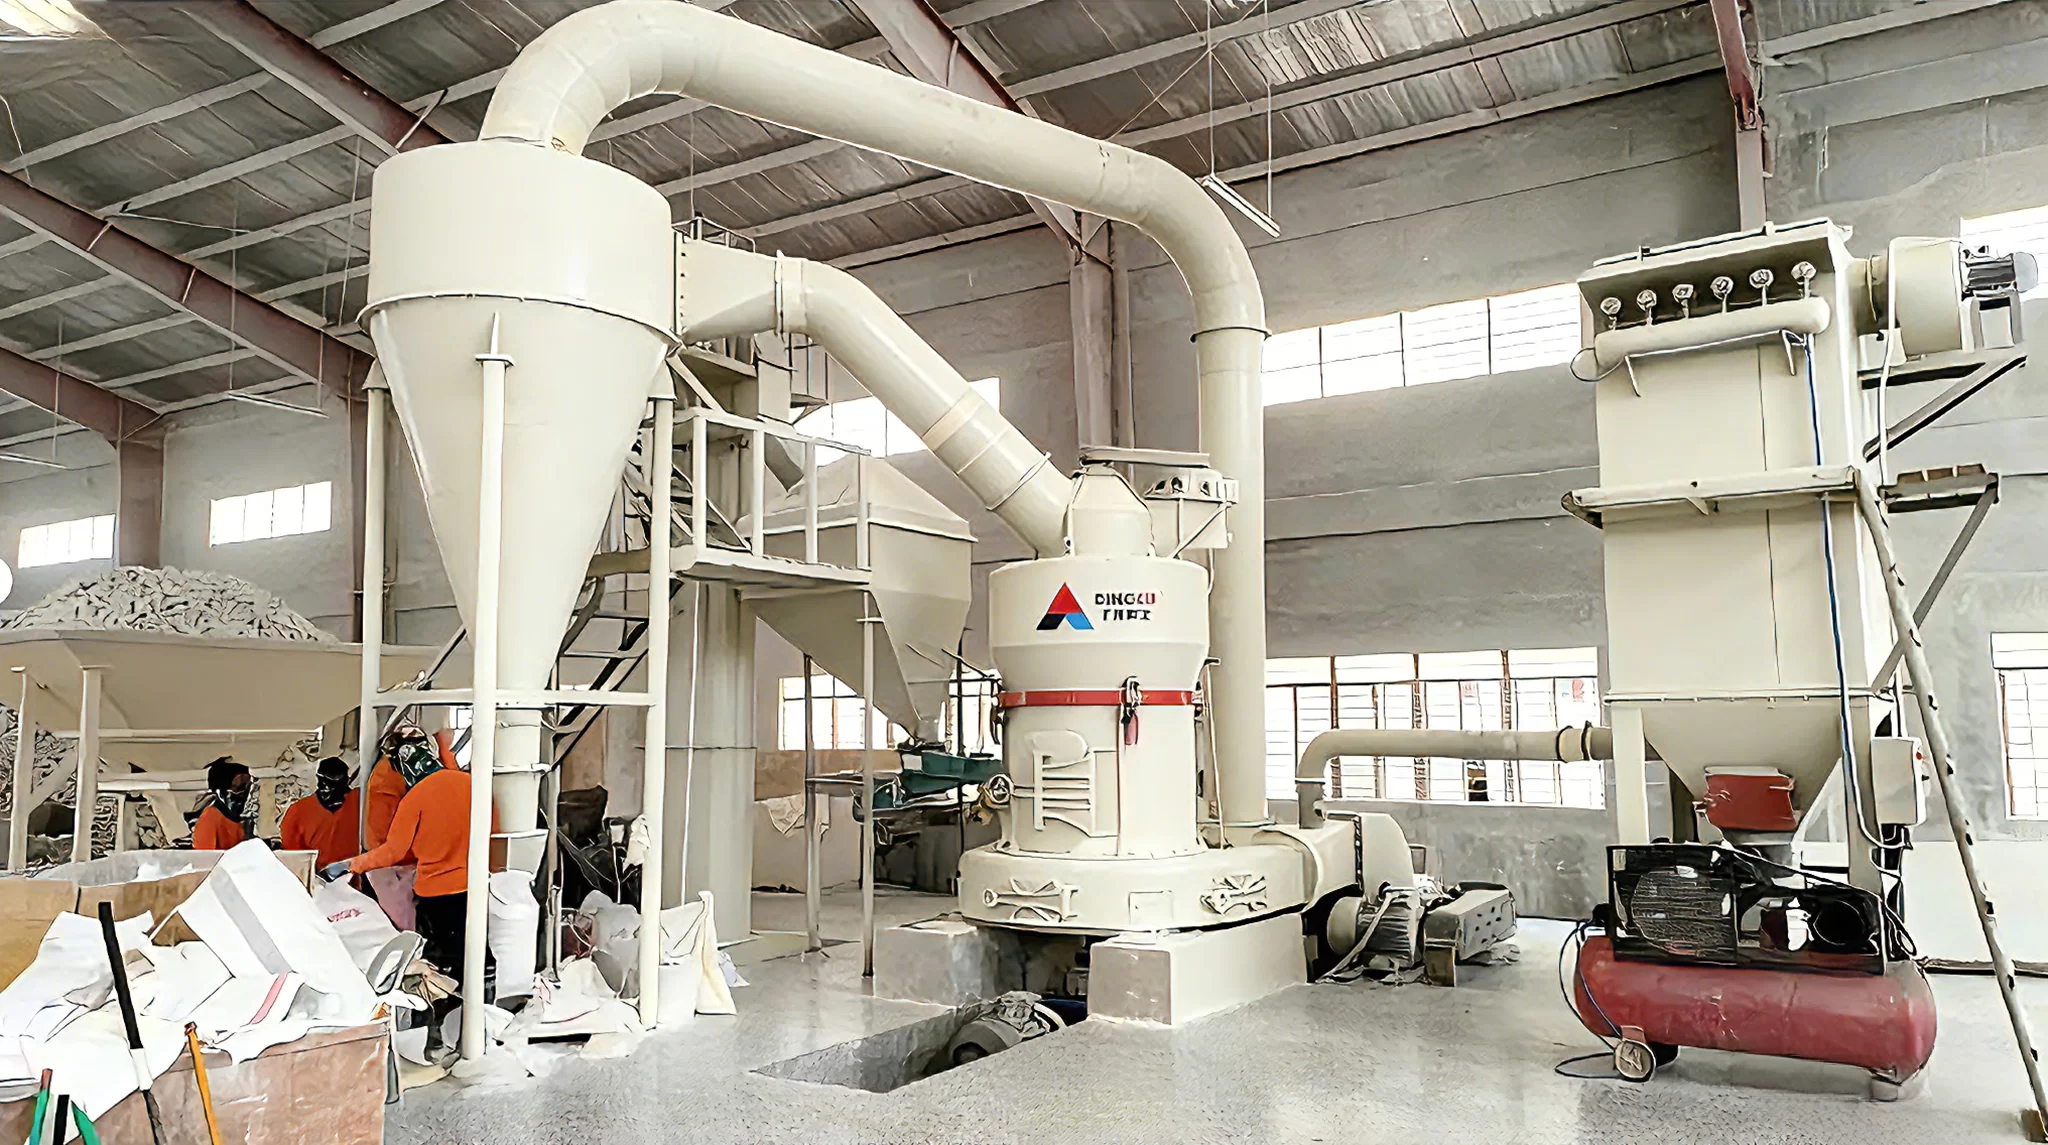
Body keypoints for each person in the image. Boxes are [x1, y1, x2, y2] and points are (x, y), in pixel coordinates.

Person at [326, 734, 495, 978]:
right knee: (477, 958)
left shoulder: (415, 798)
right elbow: (492, 829)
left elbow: (393, 851)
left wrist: (352, 865)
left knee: (440, 966)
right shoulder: (472, 784)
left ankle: (443, 1007)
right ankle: (483, 1003)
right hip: (474, 887)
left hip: (436, 894)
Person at [279, 757, 361, 867]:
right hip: (316, 877)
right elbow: (295, 858)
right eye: (329, 785)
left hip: (356, 874)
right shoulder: (298, 812)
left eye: (340, 786)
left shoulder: (361, 801)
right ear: (320, 782)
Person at [191, 757, 252, 850]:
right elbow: (204, 860)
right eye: (239, 786)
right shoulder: (210, 818)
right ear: (224, 791)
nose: (245, 792)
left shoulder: (257, 815)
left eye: (248, 784)